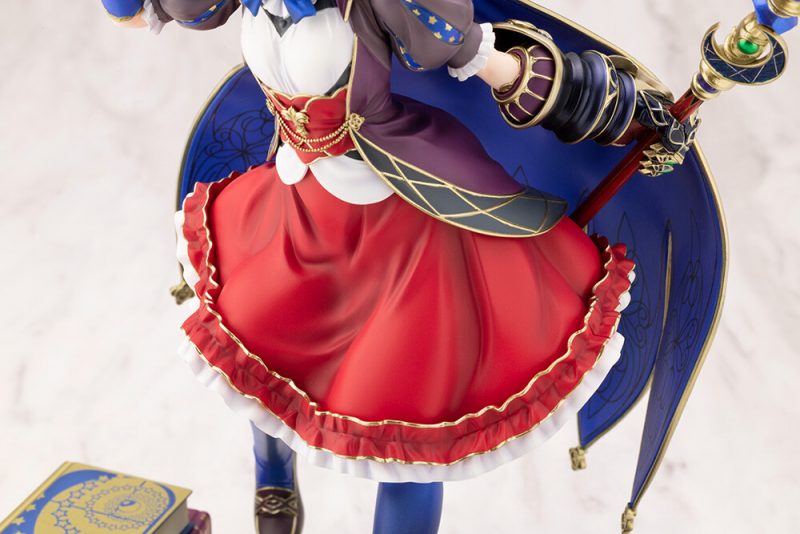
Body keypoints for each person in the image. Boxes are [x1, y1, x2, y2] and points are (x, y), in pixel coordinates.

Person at [103, 0, 698, 532]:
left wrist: (613, 110)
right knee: (257, 341)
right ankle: (273, 479)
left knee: (406, 416)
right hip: (296, 206)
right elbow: (135, 12)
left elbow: (495, 65)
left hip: (398, 215)